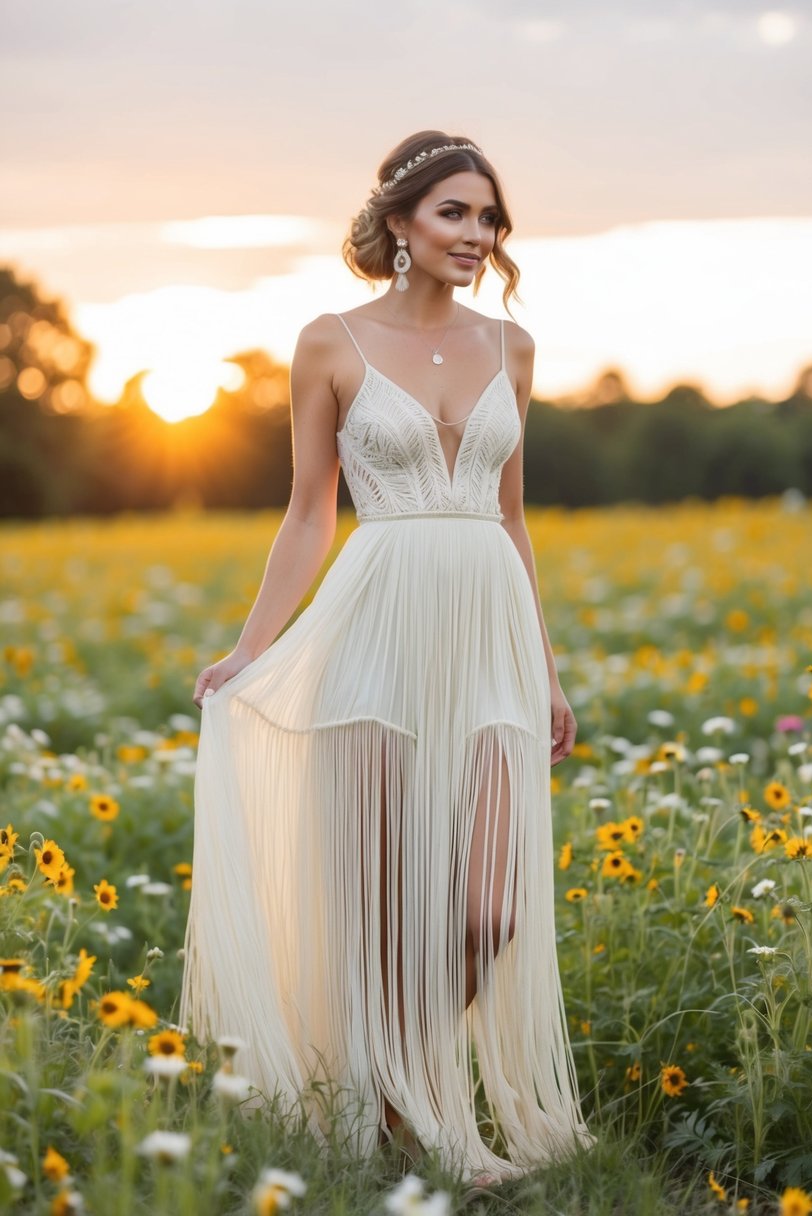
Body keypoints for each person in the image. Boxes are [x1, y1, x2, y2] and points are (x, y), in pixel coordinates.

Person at [180, 129, 593, 1187]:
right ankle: (413, 1115)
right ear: (400, 222)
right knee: (392, 911)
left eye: (489, 216)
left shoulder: (513, 347)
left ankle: (403, 1087)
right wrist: (248, 651)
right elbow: (309, 516)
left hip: (488, 646)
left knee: (487, 913)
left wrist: (542, 670)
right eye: (455, 212)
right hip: (375, 642)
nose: (477, 233)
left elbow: (510, 519)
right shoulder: (329, 341)